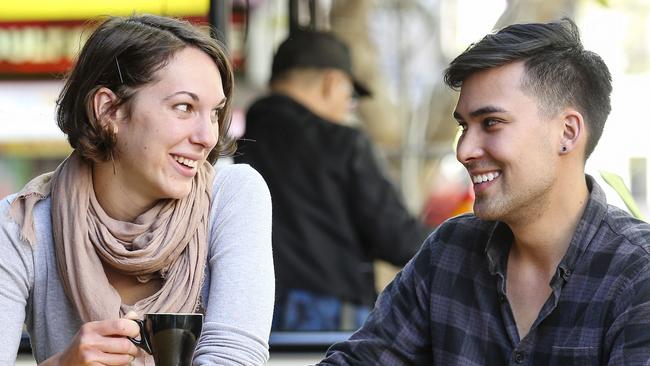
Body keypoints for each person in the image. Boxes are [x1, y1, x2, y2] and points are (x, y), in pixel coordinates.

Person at [317, 18, 650, 365]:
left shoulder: (638, 274)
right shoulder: (449, 251)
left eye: (491, 123)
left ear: (567, 132)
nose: (464, 150)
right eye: (464, 126)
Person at [0, 14, 274, 365]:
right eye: (184, 107)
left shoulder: (233, 195)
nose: (207, 137)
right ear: (107, 110)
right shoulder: (20, 224)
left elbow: (235, 358)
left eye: (214, 113)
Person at [234, 30, 430, 331]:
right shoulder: (343, 143)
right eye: (350, 96)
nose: (349, 107)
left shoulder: (240, 145)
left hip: (254, 309)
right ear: (331, 83)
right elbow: (396, 237)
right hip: (330, 312)